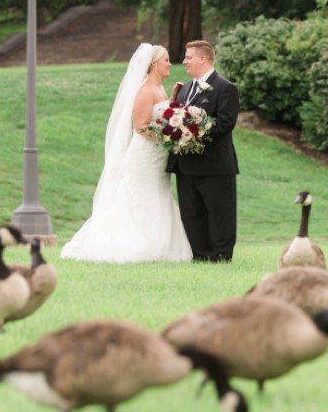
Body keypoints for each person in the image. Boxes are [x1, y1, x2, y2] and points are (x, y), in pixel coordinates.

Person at [61, 44, 193, 263]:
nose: (170, 63)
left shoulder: (159, 88)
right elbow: (141, 127)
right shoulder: (144, 90)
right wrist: (169, 137)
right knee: (140, 194)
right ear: (154, 64)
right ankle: (135, 243)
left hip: (158, 156)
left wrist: (173, 104)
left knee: (159, 192)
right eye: (167, 60)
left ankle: (161, 245)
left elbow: (159, 116)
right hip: (145, 155)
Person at [166, 40, 239, 262]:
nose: (184, 61)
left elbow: (225, 124)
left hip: (215, 165)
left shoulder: (226, 88)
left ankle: (221, 256)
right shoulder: (184, 88)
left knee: (220, 213)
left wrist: (194, 132)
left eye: (188, 57)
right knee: (192, 213)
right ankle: (200, 255)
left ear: (202, 59)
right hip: (185, 164)